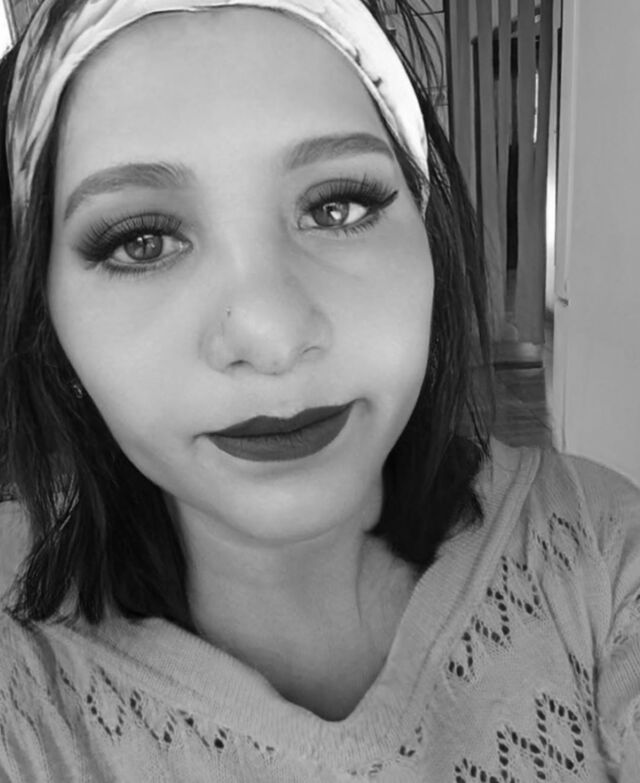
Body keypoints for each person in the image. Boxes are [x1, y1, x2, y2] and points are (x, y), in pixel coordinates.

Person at [0, 0, 638, 780]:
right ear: (50, 325)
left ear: (428, 238)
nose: (272, 336)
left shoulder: (603, 552)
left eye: (338, 207)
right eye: (141, 241)